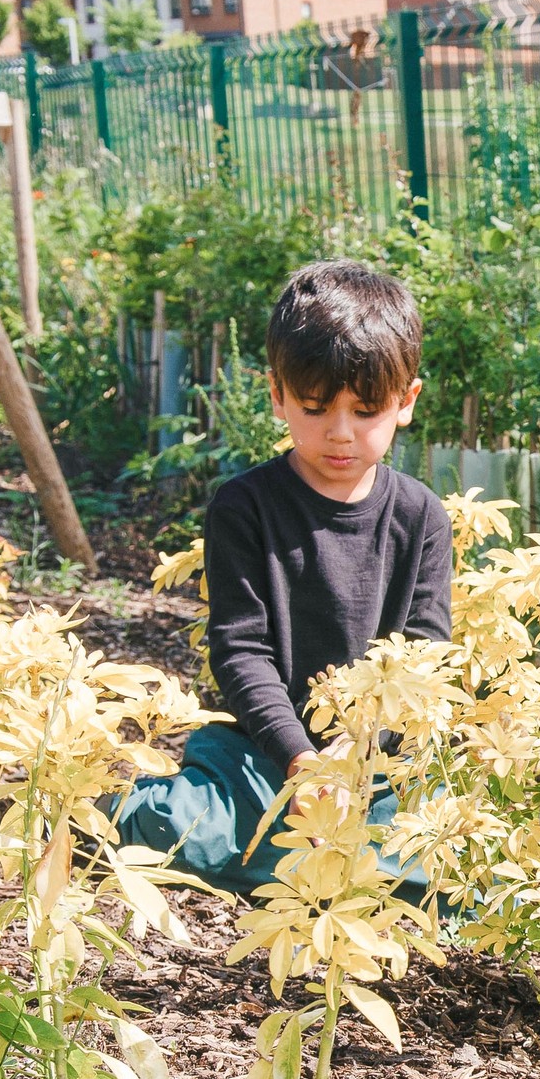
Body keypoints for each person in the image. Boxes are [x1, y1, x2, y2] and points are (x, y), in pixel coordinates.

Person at [114, 261, 452, 896]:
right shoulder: (244, 507)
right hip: (260, 751)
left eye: (367, 409)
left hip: (375, 768)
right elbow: (241, 651)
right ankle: (110, 808)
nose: (341, 432)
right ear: (278, 394)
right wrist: (302, 762)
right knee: (186, 829)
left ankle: (319, 865)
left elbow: (424, 659)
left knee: (423, 864)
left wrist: (352, 765)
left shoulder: (421, 516)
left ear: (406, 402)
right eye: (316, 407)